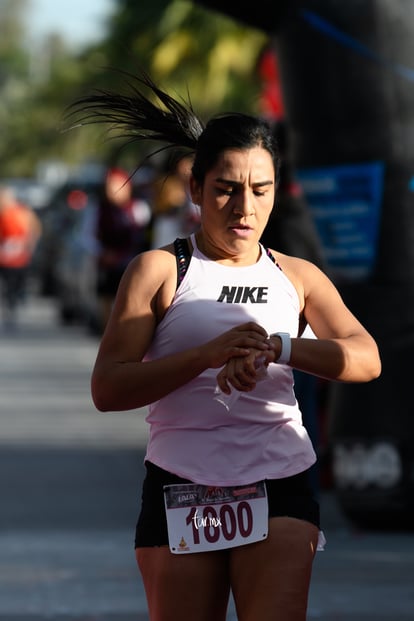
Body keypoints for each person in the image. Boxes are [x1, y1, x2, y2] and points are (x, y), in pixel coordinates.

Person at [69, 74, 381, 621]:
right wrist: (205, 355)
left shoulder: (298, 275)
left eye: (260, 190)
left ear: (276, 191)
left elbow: (366, 358)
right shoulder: (160, 270)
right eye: (226, 188)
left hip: (278, 479)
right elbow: (107, 387)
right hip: (181, 487)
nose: (244, 207)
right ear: (195, 188)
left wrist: (280, 348)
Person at [94, 167, 152, 330]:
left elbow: (144, 238)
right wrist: (102, 253)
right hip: (108, 264)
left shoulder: (138, 208)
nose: (111, 191)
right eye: (108, 186)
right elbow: (90, 236)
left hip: (132, 263)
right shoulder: (101, 210)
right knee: (107, 300)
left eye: (116, 186)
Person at [0, 184, 42, 329]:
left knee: (18, 282)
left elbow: (35, 228)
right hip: (4, 257)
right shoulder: (2, 213)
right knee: (7, 283)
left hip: (20, 256)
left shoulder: (23, 212)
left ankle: (17, 299)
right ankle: (10, 306)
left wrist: (30, 245)